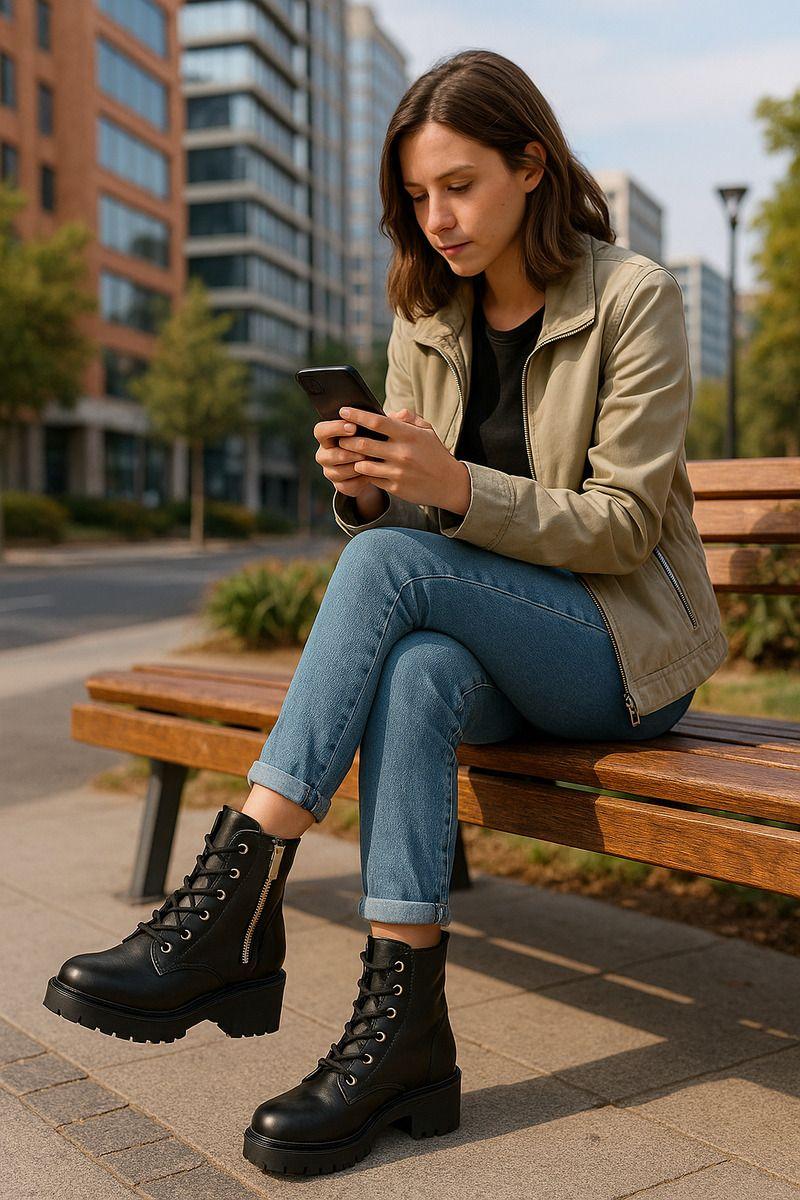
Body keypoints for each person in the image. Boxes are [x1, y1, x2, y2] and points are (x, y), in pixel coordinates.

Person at [44, 48, 728, 1177]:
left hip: (622, 657)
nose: (436, 217)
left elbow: (619, 527)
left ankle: (234, 897)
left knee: (384, 578)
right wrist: (368, 490)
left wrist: (448, 487)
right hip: (493, 655)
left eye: (458, 185)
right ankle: (405, 1038)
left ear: (529, 166)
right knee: (411, 667)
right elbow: (416, 537)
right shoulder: (428, 315)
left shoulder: (631, 299)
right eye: (416, 196)